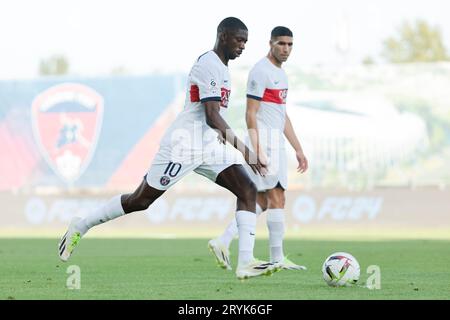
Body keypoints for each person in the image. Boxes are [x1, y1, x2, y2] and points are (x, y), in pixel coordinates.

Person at [58, 17, 279, 280]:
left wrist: (220, 138)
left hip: (207, 146)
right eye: (238, 40)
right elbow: (211, 116)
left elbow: (213, 116)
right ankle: (81, 225)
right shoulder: (208, 64)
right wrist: (244, 150)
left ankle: (246, 262)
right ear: (223, 36)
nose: (242, 46)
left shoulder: (223, 68)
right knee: (140, 200)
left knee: (247, 188)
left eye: (245, 41)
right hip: (183, 146)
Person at [208, 26, 309, 271]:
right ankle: (276, 258)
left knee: (263, 199)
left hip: (277, 143)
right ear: (271, 43)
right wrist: (257, 149)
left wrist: (298, 148)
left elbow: (282, 115)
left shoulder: (281, 74)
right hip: (265, 142)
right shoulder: (260, 71)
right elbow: (250, 113)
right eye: (281, 44)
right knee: (276, 197)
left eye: (290, 45)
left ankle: (223, 240)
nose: (286, 49)